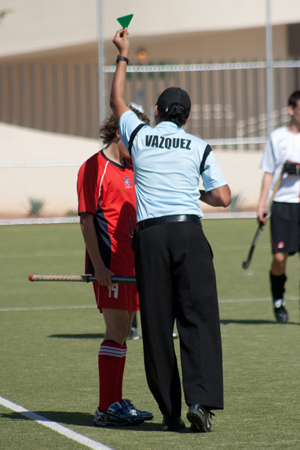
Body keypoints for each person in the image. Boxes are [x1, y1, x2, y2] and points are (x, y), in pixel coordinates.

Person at [110, 28, 231, 433]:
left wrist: (123, 55)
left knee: (158, 324)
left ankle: (169, 412)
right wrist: (193, 193)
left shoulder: (141, 135)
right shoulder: (199, 146)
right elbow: (224, 197)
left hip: (151, 238)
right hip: (189, 234)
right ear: (188, 117)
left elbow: (116, 101)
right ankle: (201, 402)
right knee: (198, 319)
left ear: (158, 112)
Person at [77, 106, 153, 427]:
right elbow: (86, 219)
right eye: (133, 139)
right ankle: (106, 407)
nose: (138, 147)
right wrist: (99, 267)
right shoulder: (94, 167)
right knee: (117, 330)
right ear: (119, 132)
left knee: (123, 334)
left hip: (134, 264)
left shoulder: (134, 166)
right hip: (110, 264)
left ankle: (115, 402)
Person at [257, 90, 300, 323]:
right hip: (282, 204)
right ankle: (278, 300)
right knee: (280, 258)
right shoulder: (277, 137)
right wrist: (261, 205)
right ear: (291, 110)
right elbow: (268, 173)